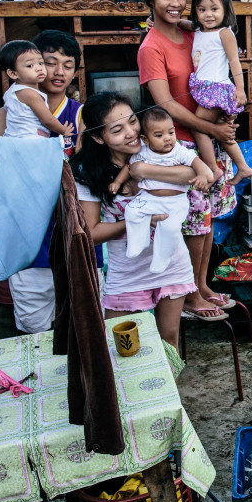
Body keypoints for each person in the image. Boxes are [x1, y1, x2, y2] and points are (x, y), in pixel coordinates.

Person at [137, 0, 240, 321]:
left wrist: (224, 116)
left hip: (207, 139)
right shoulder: (151, 47)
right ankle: (190, 296)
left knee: (207, 219)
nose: (177, 3)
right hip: (178, 148)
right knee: (193, 223)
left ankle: (203, 285)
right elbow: (166, 106)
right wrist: (212, 130)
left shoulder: (193, 33)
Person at [71, 93, 198, 351]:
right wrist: (140, 222)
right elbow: (91, 233)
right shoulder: (87, 172)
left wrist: (145, 171)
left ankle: (166, 391)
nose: (130, 133)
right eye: (117, 129)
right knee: (122, 347)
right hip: (127, 272)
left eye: (132, 121)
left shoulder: (156, 144)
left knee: (169, 341)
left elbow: (193, 172)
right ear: (98, 137)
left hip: (171, 263)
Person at [0, 31, 89, 332]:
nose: (58, 72)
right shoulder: (7, 114)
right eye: (49, 63)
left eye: (68, 64)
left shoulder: (79, 114)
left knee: (82, 324)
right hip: (28, 233)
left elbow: (85, 168)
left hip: (72, 230)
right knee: (35, 327)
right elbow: (2, 175)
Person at [111, 107, 213, 275]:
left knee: (170, 230)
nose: (167, 139)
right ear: (145, 139)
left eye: (171, 133)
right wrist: (117, 181)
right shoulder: (143, 152)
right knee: (132, 211)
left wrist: (201, 174)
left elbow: (196, 162)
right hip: (149, 198)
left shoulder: (179, 151)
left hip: (175, 202)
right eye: (159, 135)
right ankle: (138, 243)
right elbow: (128, 167)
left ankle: (162, 258)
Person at [186, 0, 252, 186]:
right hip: (206, 87)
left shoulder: (224, 33)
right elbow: (184, 24)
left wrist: (241, 89)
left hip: (215, 90)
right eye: (202, 9)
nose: (208, 14)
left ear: (225, 10)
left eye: (214, 9)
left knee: (199, 128)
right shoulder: (198, 30)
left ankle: (213, 170)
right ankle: (243, 167)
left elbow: (235, 62)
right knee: (221, 131)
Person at [0, 40, 74, 139]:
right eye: (30, 65)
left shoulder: (12, 91)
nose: (39, 68)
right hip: (30, 143)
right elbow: (47, 120)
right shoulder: (30, 94)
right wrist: (64, 130)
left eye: (41, 63)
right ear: (13, 73)